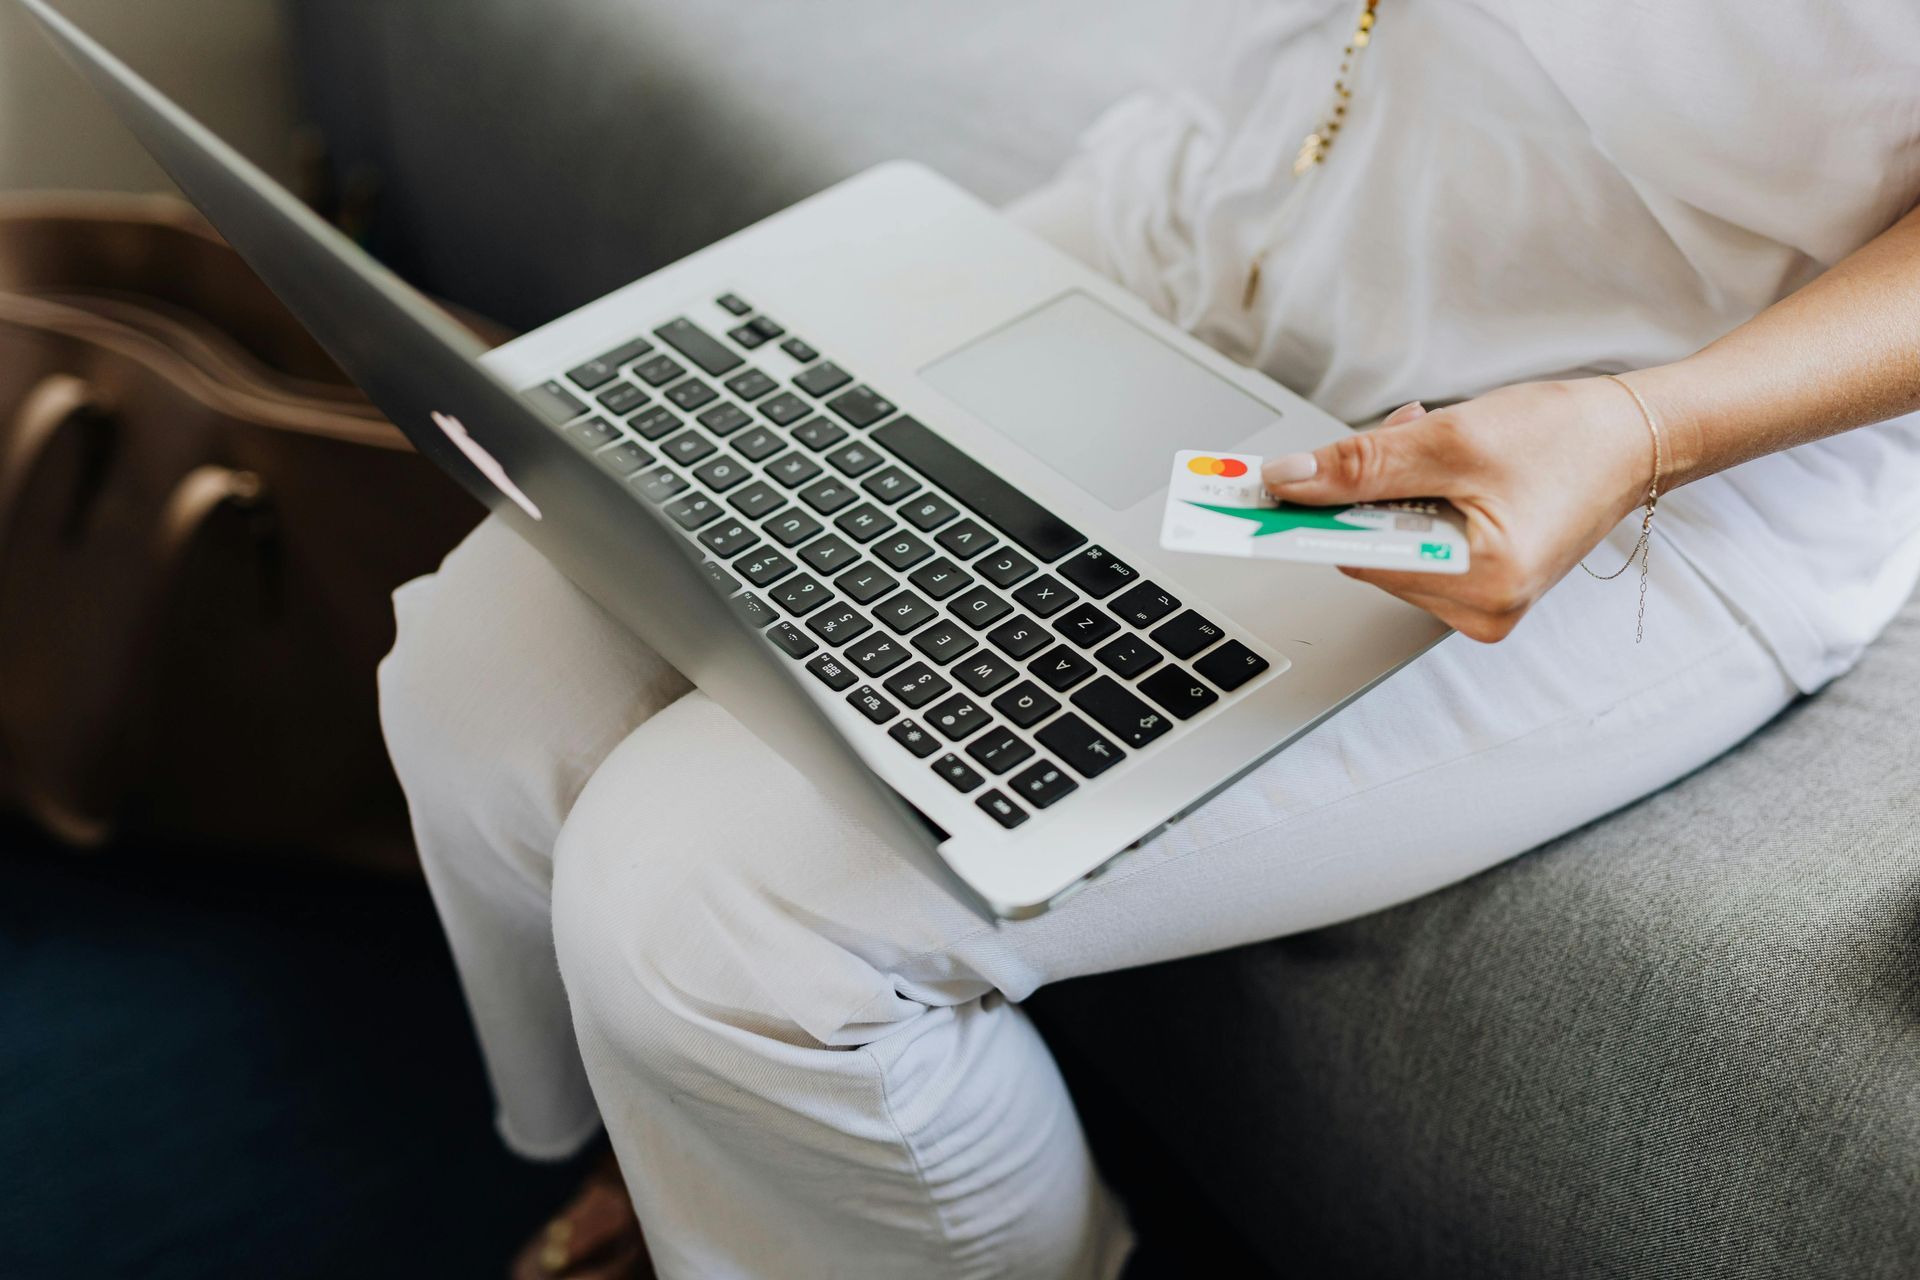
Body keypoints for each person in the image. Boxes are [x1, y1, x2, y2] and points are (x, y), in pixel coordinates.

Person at [377, 3, 1920, 1277]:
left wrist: (1653, 426)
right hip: (1192, 225)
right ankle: (698, 1176)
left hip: (1608, 432)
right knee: (483, 681)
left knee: (709, 915)